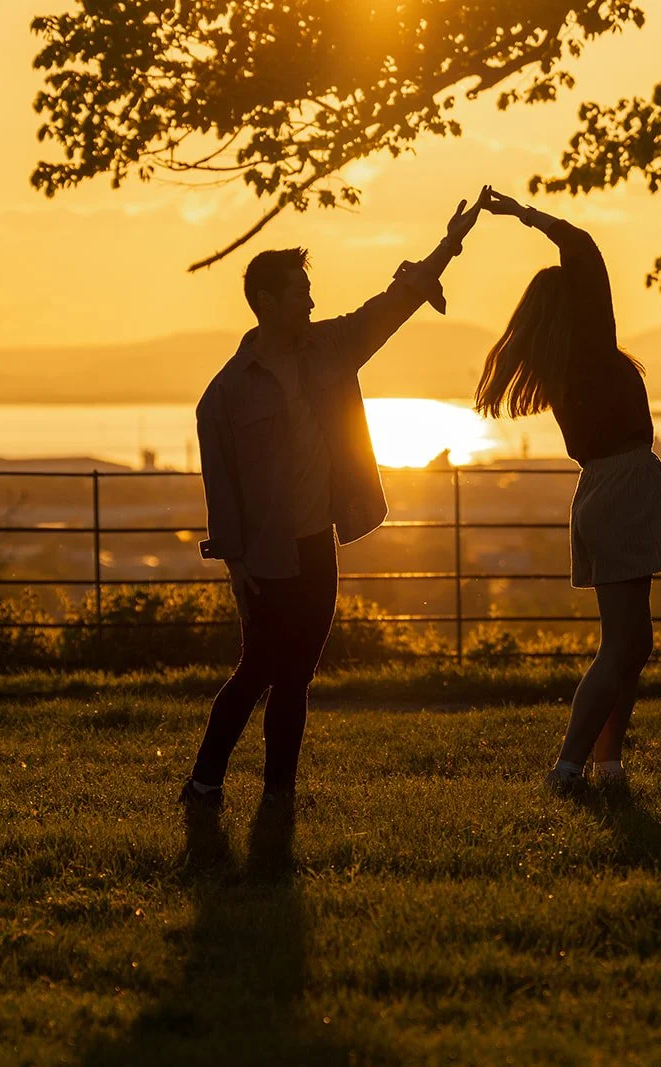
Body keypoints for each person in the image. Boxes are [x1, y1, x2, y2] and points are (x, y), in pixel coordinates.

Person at [180, 197, 483, 810]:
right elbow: (222, 487)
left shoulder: (331, 347)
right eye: (300, 294)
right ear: (267, 302)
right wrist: (235, 564)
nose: (312, 304)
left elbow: (389, 308)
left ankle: (278, 796)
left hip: (319, 545)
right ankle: (205, 782)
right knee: (259, 668)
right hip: (264, 556)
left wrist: (448, 244)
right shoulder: (224, 395)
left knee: (296, 676)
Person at [473, 185, 661, 796]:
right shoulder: (589, 354)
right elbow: (581, 246)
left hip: (616, 491)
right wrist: (523, 214)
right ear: (576, 309)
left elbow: (625, 447)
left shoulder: (574, 366)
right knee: (626, 645)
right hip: (621, 495)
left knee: (631, 647)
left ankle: (608, 767)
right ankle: (568, 768)